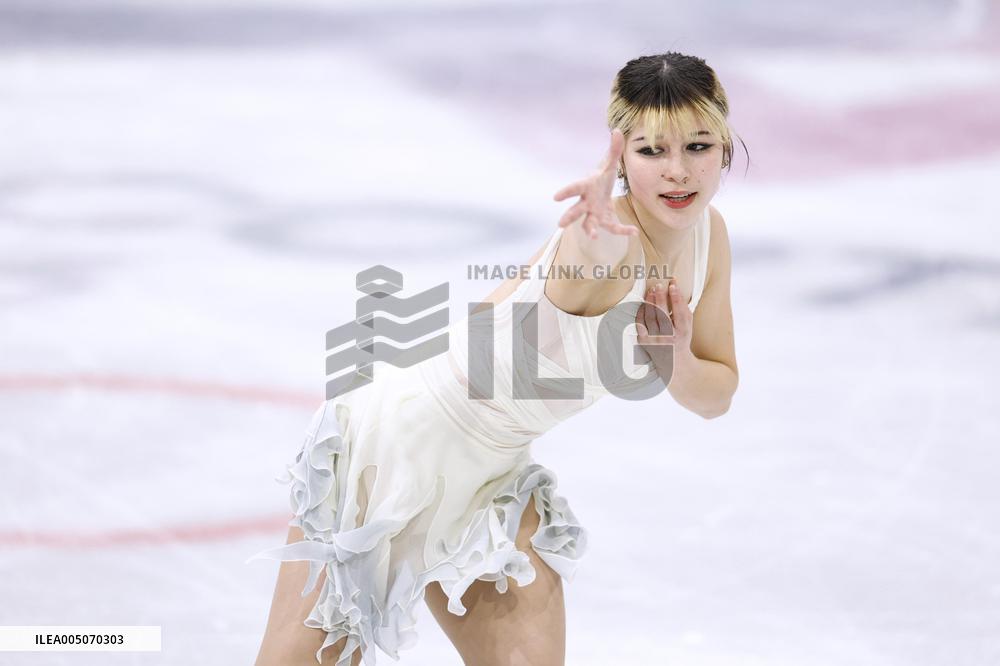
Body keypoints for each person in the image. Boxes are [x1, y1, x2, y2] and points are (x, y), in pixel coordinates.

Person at [250, 51, 742, 666]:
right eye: (650, 152)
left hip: (494, 473)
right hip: (397, 446)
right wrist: (590, 228)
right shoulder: (603, 237)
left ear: (725, 143)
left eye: (697, 146)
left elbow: (715, 395)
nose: (678, 173)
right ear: (620, 156)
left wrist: (674, 358)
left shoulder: (708, 237)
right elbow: (586, 254)